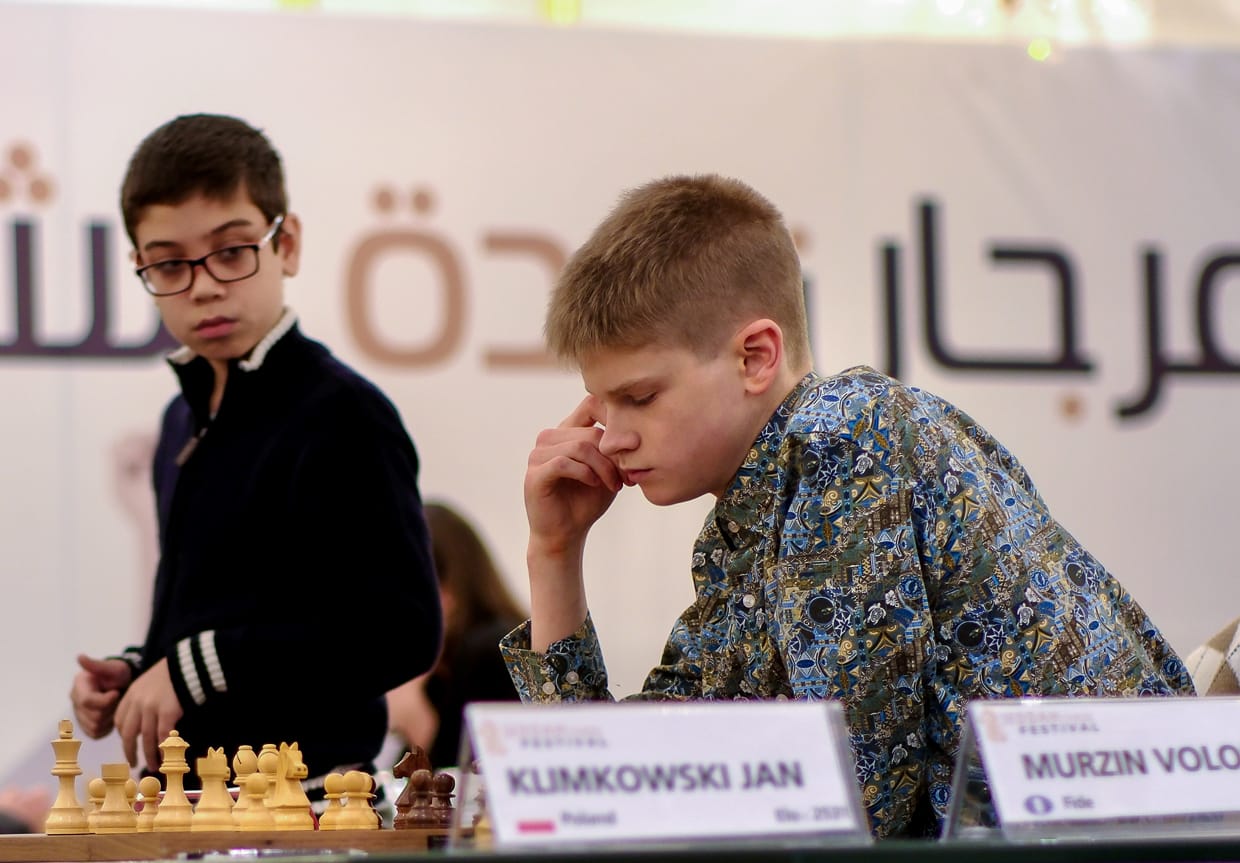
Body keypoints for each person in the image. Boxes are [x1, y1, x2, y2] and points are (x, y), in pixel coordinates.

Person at [499, 173, 1194, 839]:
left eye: (640, 397)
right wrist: (555, 554)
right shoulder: (749, 520)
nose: (611, 436)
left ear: (755, 357)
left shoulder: (842, 439)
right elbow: (605, 783)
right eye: (601, 402)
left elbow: (854, 799)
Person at [69, 114, 443, 791]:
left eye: (233, 250)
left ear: (287, 243)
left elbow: (401, 628)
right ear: (140, 266)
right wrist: (138, 672)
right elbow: (215, 619)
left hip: (311, 805)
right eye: (170, 263)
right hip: (193, 802)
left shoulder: (341, 412)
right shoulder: (181, 416)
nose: (205, 285)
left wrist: (192, 666)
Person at [386, 501, 525, 769]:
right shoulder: (443, 668)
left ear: (447, 587)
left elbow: (465, 780)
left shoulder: (487, 652)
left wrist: (413, 716)